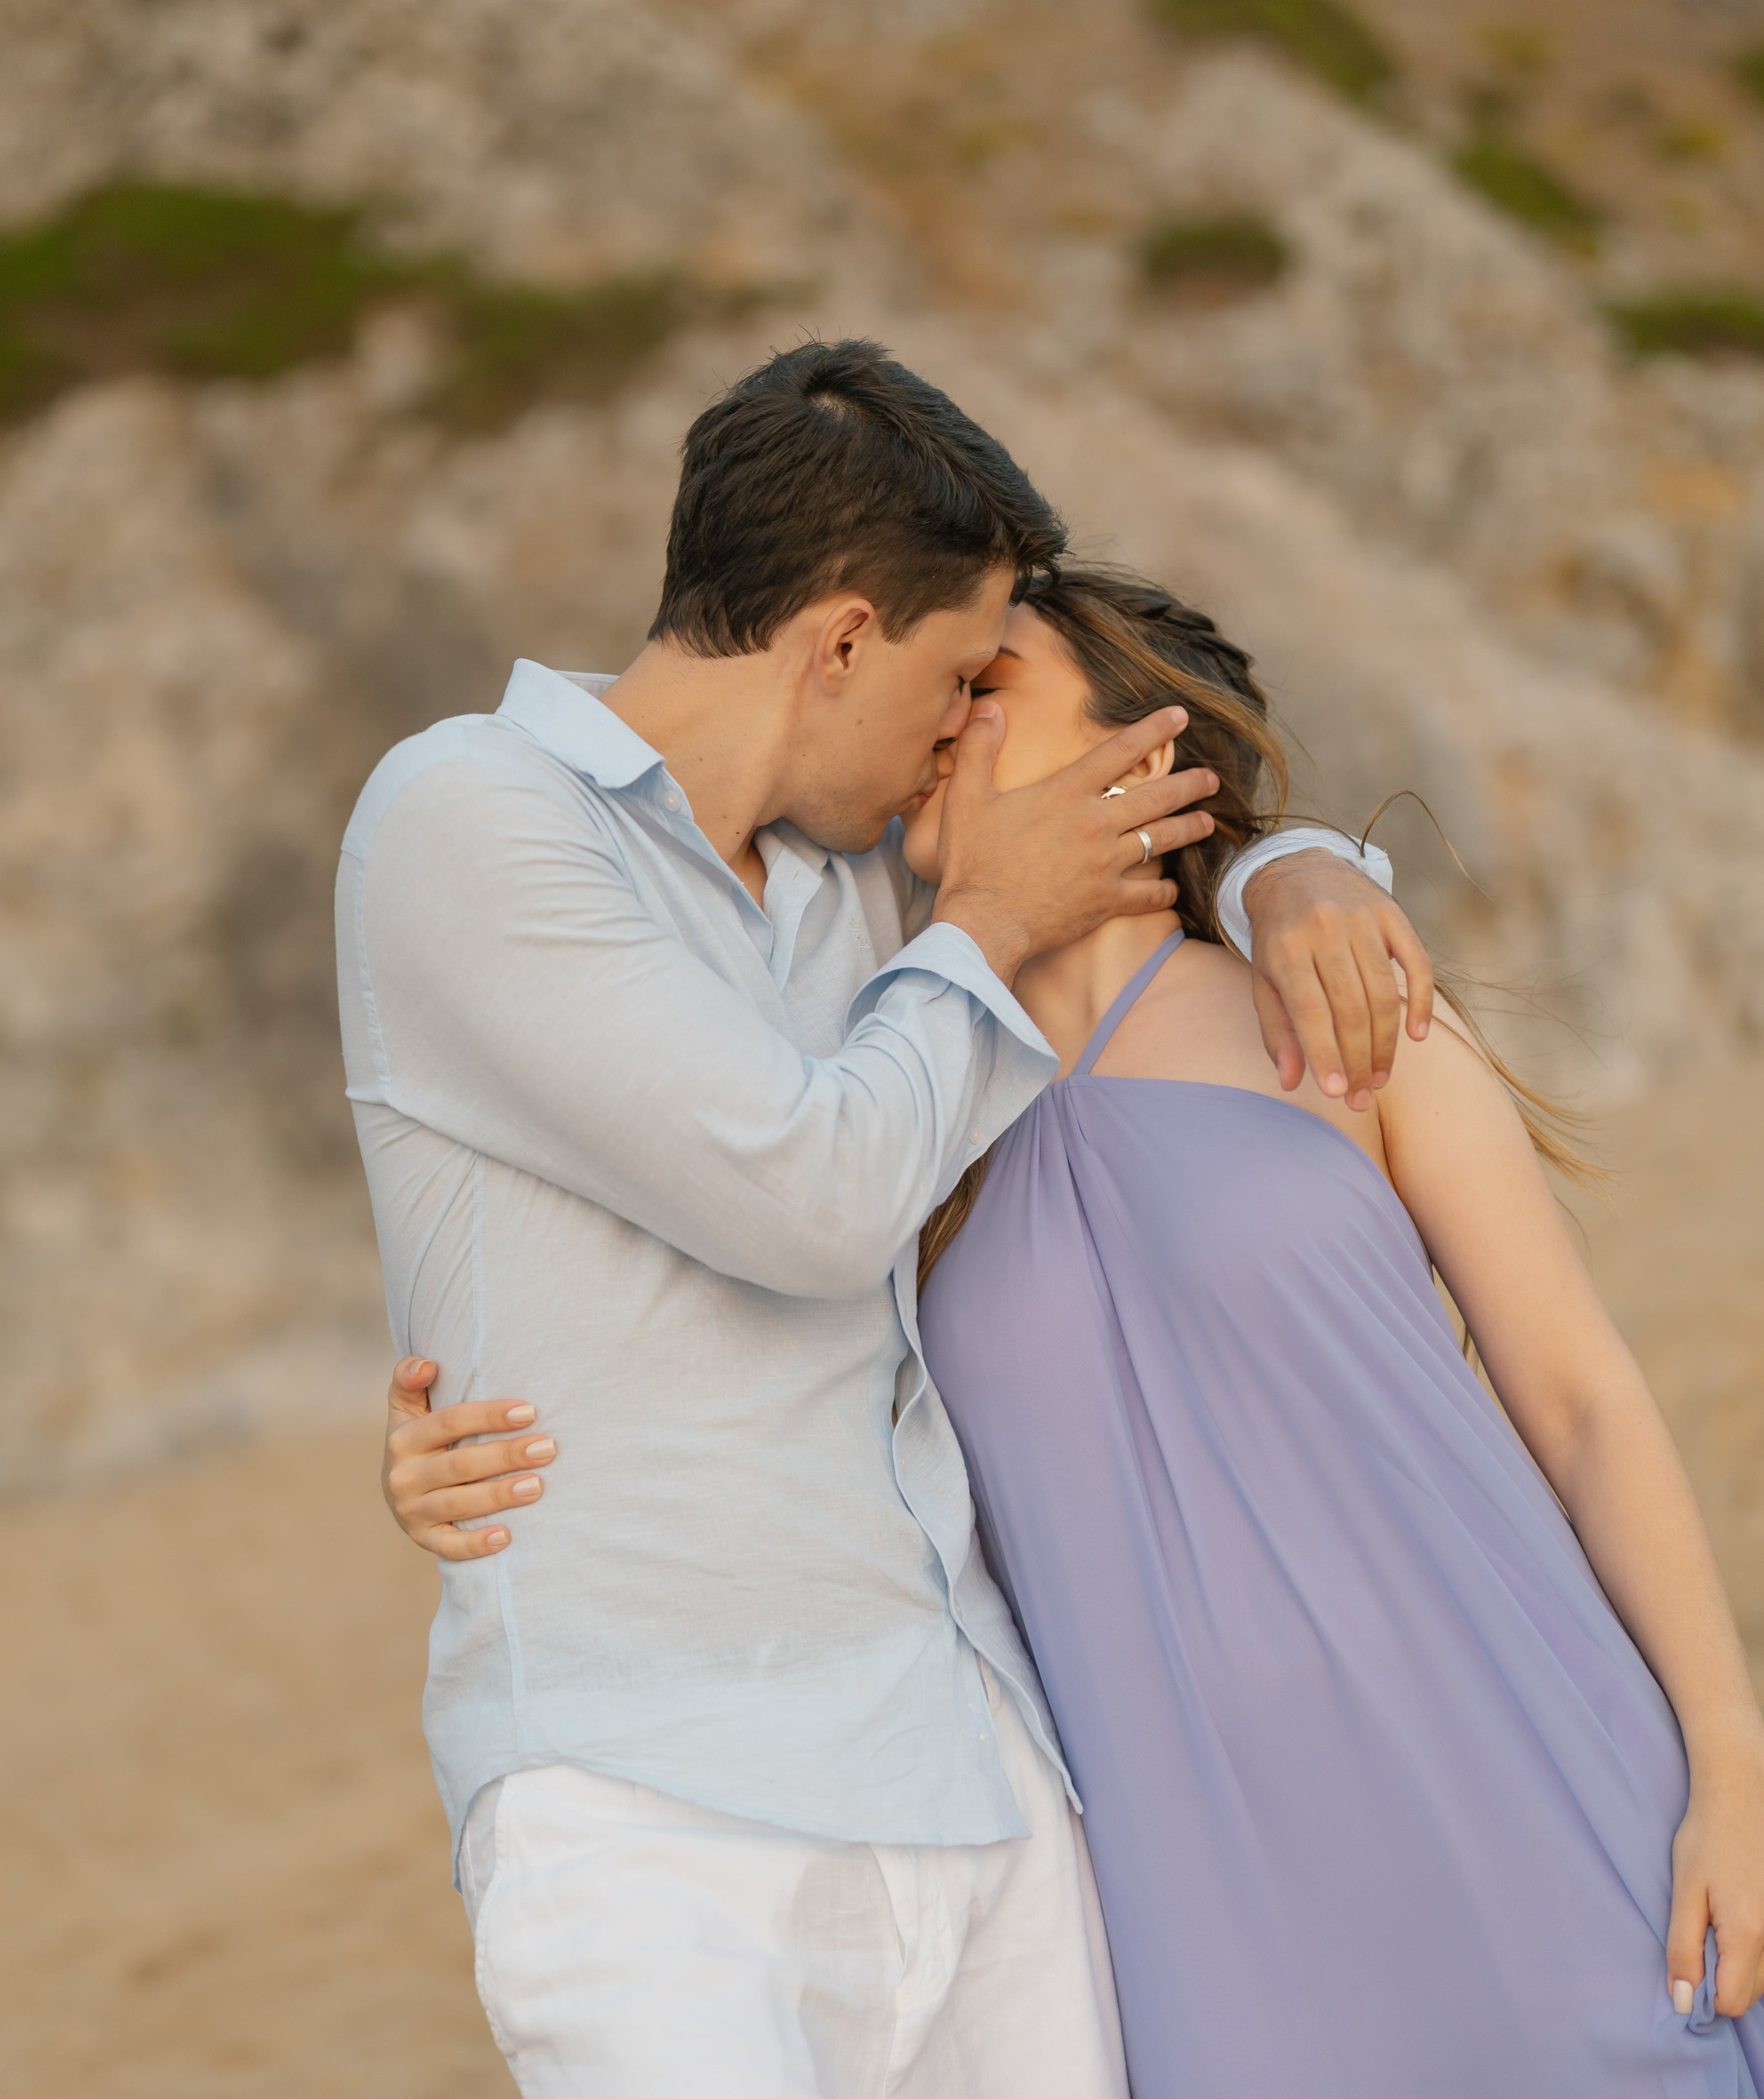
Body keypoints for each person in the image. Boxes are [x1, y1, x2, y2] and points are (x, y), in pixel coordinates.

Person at [342, 340, 1421, 2098]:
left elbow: (1109, 872)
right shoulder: (468, 814)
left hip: (980, 1770)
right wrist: (986, 924)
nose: (954, 727)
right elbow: (811, 1194)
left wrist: (1293, 869)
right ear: (839, 638)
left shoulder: (862, 881)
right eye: (948, 673)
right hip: (656, 1806)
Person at [902, 564, 1764, 2098]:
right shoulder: (899, 1129)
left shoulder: (1345, 1011)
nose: (941, 715)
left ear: (1142, 752)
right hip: (1201, 1911)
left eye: (993, 683)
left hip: (1519, 1781)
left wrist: (1729, 1749)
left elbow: (1576, 1399)